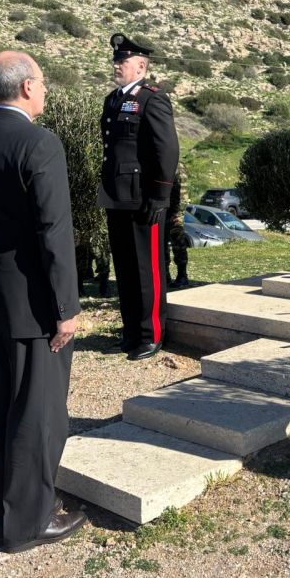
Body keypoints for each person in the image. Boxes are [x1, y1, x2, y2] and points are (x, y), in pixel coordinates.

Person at [0, 50, 86, 553]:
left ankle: (5, 516)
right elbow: (54, 231)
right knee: (39, 415)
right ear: (27, 86)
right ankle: (28, 525)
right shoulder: (39, 142)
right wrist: (66, 308)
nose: (47, 89)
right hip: (34, 304)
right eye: (44, 82)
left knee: (3, 410)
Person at [98, 33, 179, 361]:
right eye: (116, 61)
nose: (117, 66)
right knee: (127, 269)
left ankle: (151, 334)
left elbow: (166, 149)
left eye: (123, 62)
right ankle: (131, 331)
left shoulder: (152, 99)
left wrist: (160, 196)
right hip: (117, 197)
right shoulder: (113, 99)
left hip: (145, 198)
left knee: (148, 270)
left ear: (141, 67)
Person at [165, 160, 190, 287]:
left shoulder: (177, 166)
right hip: (163, 209)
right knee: (162, 245)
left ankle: (182, 275)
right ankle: (165, 276)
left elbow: (182, 193)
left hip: (175, 212)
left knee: (178, 243)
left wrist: (177, 212)